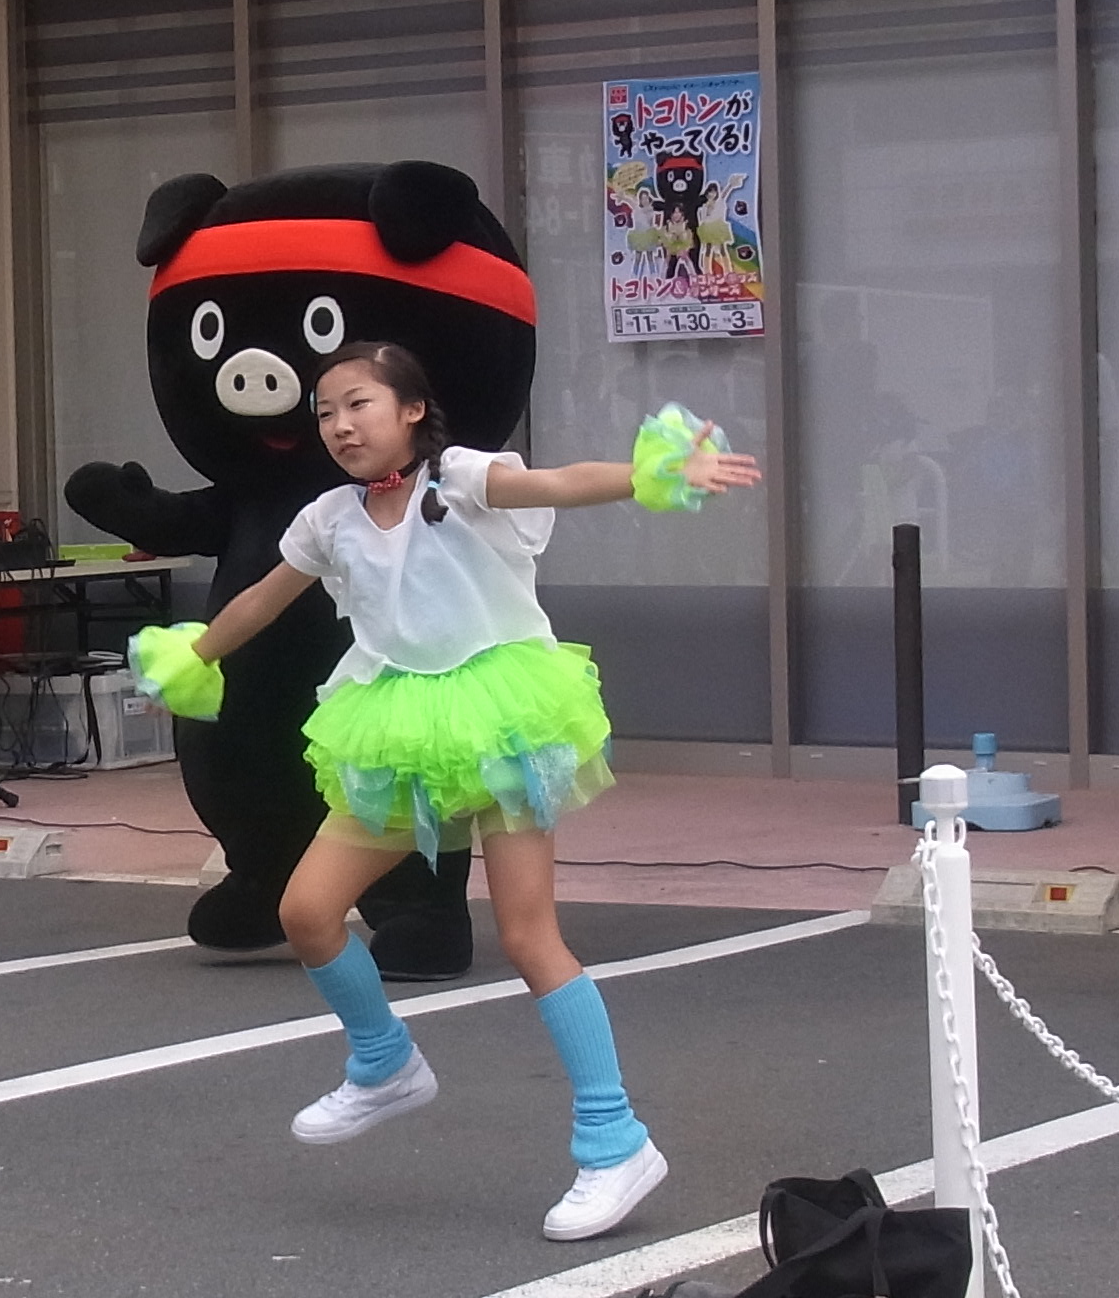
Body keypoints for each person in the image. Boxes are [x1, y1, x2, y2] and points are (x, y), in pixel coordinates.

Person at [132, 344, 761, 1242]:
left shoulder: (460, 478)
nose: (340, 425)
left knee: (528, 936)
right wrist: (190, 658)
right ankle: (384, 1061)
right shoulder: (329, 517)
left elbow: (558, 485)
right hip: (397, 725)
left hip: (502, 720)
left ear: (413, 410)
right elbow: (262, 600)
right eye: (325, 413)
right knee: (307, 911)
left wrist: (651, 474)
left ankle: (615, 1141)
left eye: (358, 404)